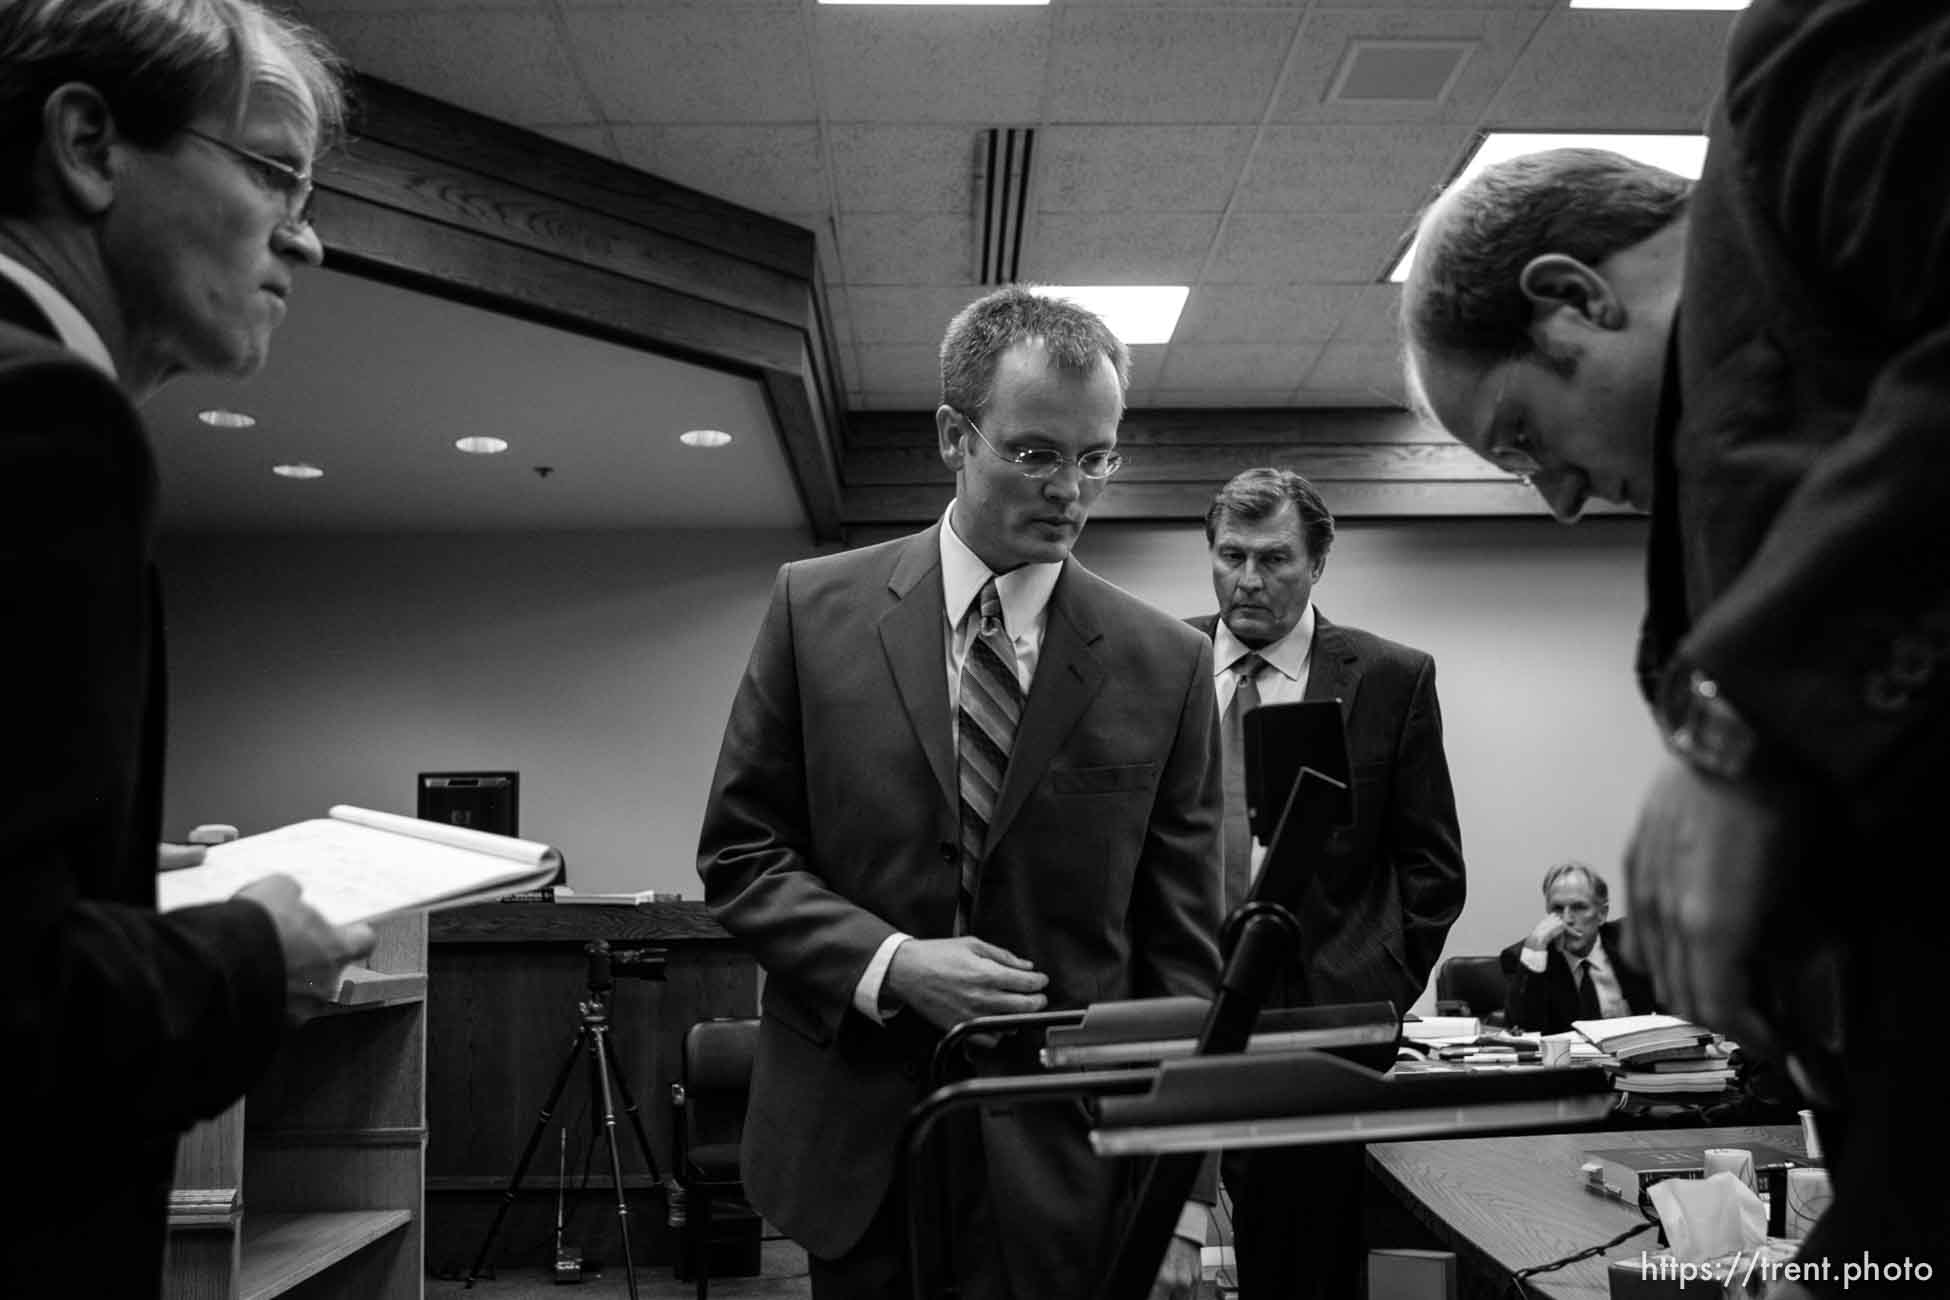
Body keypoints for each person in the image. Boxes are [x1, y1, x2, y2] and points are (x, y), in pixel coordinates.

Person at [1400, 0, 1950, 1283]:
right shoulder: (1701, 495)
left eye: (1527, 438)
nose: (1563, 500)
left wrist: (1746, 732)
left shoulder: (1804, 71)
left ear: (1572, 296)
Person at [698, 286, 1222, 1300]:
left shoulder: (1166, 663)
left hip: (1072, 1155)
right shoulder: (815, 610)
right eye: (1035, 453)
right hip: (855, 1141)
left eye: (1096, 456)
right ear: (954, 435)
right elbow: (742, 855)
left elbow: (1183, 955)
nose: (1071, 487)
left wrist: (1186, 1198)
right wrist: (893, 964)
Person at [0, 0, 375, 1291]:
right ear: (91, 144)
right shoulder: (49, 427)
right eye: (273, 171)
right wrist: (254, 953)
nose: (308, 239)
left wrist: (110, 884)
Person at [1187, 467, 1465, 1300]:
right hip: (1178, 1005)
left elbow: (1432, 867)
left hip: (1322, 1026)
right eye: (1230, 555)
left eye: (1274, 559)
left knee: (1301, 1270)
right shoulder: (1157, 659)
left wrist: (1371, 987)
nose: (1248, 579)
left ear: (1319, 563)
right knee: (1154, 1253)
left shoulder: (1389, 677)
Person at [1499, 862, 1656, 1035]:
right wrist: (1534, 949)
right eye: (1557, 909)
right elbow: (1522, 1031)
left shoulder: (1632, 944)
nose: (1567, 919)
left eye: (1579, 907)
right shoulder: (1529, 958)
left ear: (1602, 914)